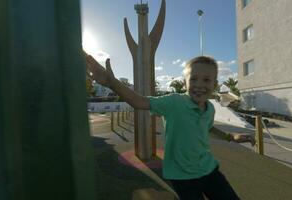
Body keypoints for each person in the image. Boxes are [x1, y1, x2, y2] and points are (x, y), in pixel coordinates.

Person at [85, 53, 251, 200]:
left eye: (206, 80)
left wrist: (230, 137)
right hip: (183, 178)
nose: (199, 84)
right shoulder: (174, 102)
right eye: (193, 79)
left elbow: (208, 128)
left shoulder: (210, 109)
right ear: (185, 83)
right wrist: (112, 83)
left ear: (214, 85)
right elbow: (139, 101)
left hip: (209, 170)